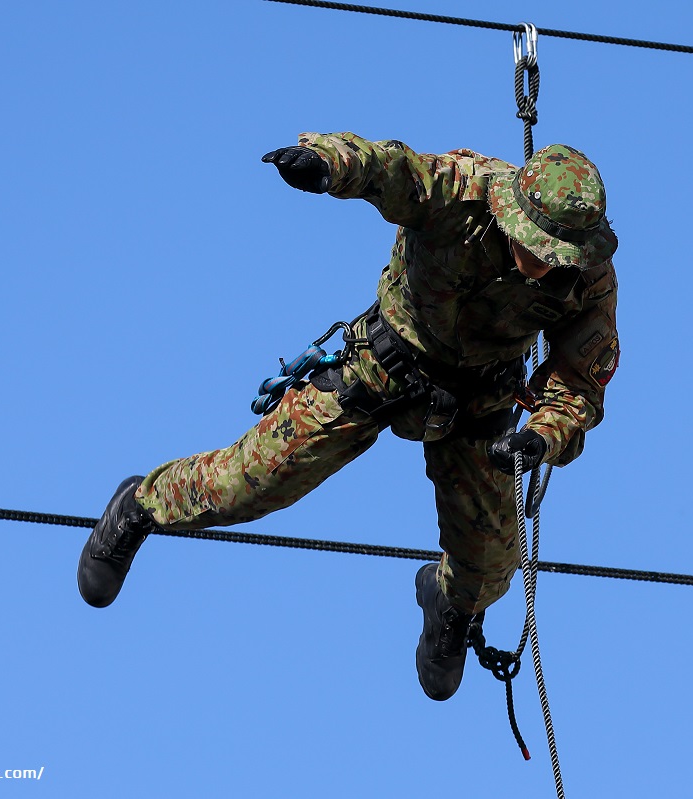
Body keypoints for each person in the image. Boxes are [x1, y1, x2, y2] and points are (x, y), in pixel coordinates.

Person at [77, 132, 620, 701]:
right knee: (248, 484)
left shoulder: (588, 279)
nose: (542, 265)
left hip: (479, 398)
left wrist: (541, 437)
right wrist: (326, 162)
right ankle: (139, 507)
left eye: (556, 256)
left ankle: (448, 607)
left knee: (489, 571)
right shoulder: (459, 192)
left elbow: (579, 384)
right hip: (384, 364)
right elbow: (387, 169)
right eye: (536, 246)